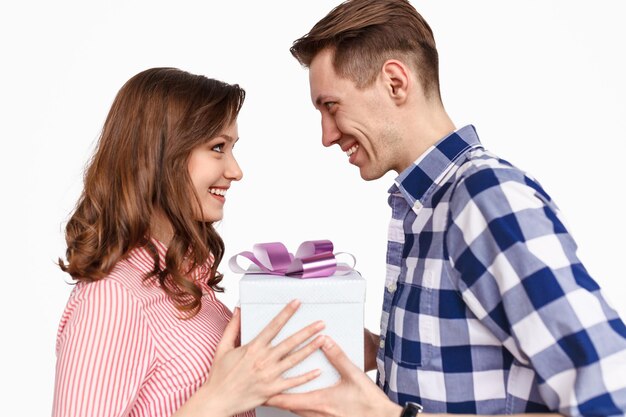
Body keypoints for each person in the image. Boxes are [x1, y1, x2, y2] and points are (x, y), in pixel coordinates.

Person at [267, 1, 626, 417]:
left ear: (396, 83)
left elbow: (613, 395)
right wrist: (376, 350)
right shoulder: (424, 206)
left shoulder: (485, 196)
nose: (327, 136)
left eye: (331, 107)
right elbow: (471, 368)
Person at [52, 67, 326, 417]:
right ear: (160, 156)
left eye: (232, 148)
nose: (236, 170)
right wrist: (215, 402)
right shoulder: (112, 299)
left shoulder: (188, 282)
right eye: (217, 148)